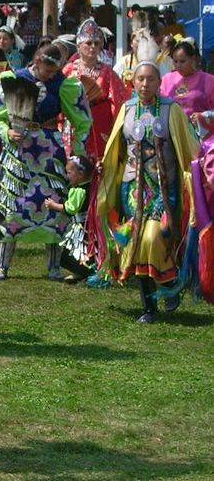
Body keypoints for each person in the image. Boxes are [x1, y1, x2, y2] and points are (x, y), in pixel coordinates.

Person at [96, 61, 198, 323]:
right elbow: (115, 148)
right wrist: (104, 167)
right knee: (136, 240)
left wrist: (200, 174)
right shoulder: (127, 110)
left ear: (158, 82)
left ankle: (170, 281)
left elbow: (188, 148)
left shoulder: (170, 110)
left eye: (150, 79)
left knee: (154, 236)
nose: (144, 84)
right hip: (132, 189)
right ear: (134, 82)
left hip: (163, 189)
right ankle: (149, 307)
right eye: (140, 79)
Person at [0, 44, 92, 280]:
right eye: (46, 70)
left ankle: (53, 267)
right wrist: (6, 133)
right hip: (19, 150)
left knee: (54, 206)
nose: (48, 75)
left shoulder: (64, 85)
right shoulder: (14, 79)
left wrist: (77, 154)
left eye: (53, 72)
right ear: (36, 61)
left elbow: (82, 121)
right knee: (12, 206)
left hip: (49, 150)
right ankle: (2, 266)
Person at [63, 18, 128, 159]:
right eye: (88, 43)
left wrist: (116, 127)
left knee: (99, 161)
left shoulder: (107, 72)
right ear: (79, 45)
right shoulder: (68, 70)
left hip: (99, 122)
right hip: (73, 121)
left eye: (96, 43)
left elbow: (118, 101)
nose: (92, 47)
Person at [44, 155, 95, 283]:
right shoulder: (90, 185)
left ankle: (86, 273)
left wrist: (53, 205)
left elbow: (70, 209)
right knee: (80, 252)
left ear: (81, 174)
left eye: (69, 172)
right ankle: (81, 272)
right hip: (85, 226)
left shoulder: (80, 191)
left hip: (83, 228)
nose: (67, 176)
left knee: (74, 253)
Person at [160, 39, 214, 140]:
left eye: (182, 61)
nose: (178, 65)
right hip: (172, 135)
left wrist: (203, 116)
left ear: (193, 59)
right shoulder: (166, 79)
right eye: (175, 61)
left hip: (199, 137)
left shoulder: (209, 80)